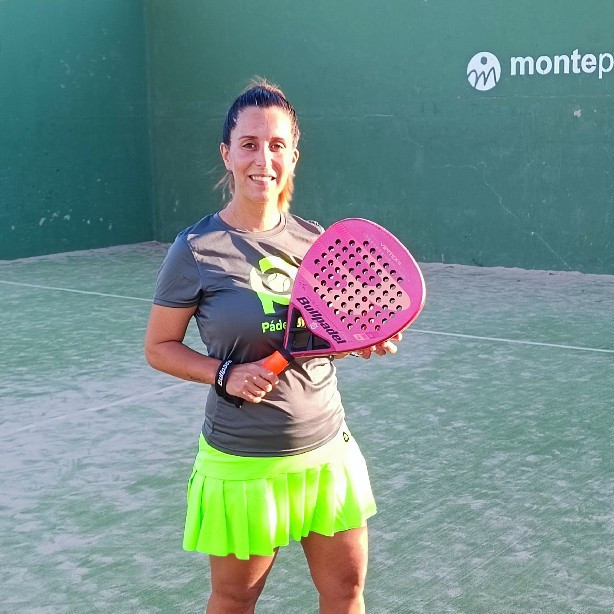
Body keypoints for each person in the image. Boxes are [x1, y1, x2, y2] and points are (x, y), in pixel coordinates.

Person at [144, 78, 402, 614]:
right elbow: (160, 347)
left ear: (293, 156)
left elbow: (328, 334)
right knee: (234, 601)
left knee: (346, 592)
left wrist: (363, 339)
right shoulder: (196, 248)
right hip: (243, 464)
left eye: (277, 145)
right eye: (249, 144)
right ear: (227, 154)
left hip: (326, 452)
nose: (264, 159)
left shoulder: (315, 241)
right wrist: (224, 373)